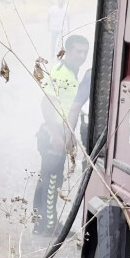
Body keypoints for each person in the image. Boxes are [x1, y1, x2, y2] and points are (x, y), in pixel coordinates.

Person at [33, 34, 90, 236]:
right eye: (78, 52)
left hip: (55, 132)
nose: (82, 56)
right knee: (52, 181)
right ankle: (49, 226)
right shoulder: (61, 73)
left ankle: (39, 224)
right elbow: (46, 104)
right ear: (68, 51)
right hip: (52, 134)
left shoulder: (72, 72)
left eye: (85, 52)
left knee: (46, 178)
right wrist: (57, 135)